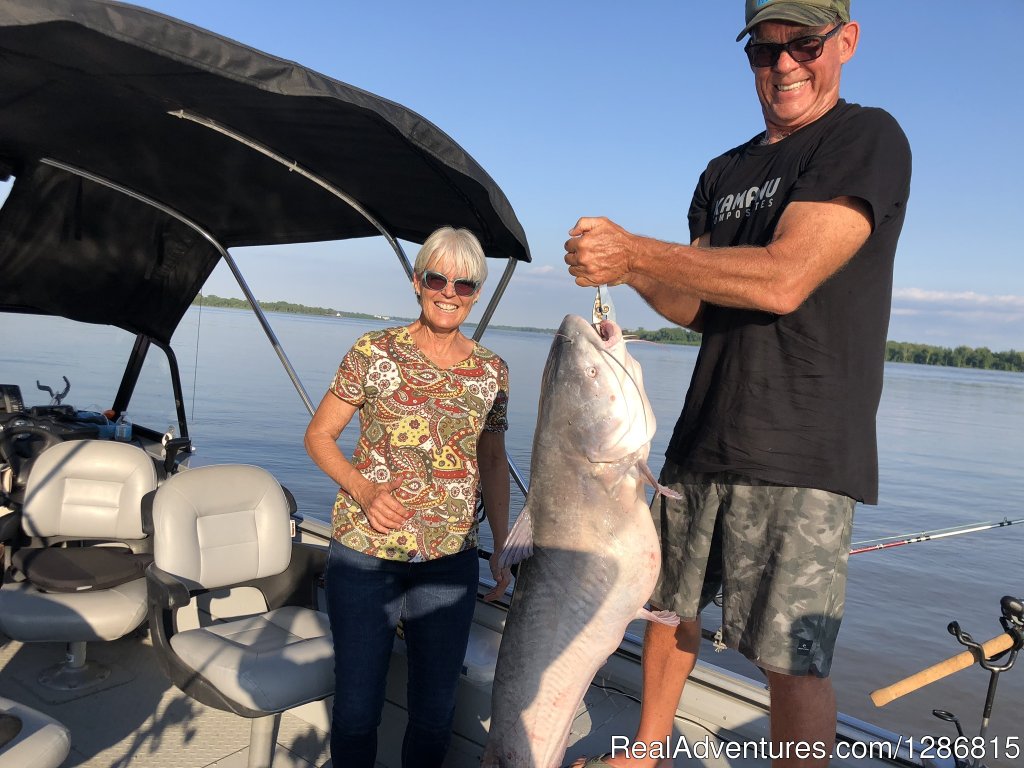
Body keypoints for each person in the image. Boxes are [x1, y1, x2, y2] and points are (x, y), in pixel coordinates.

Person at [562, 1, 911, 766]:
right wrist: (633, 268)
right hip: (702, 435)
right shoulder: (723, 171)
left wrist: (637, 251)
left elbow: (785, 278)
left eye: (805, 45)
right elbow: (695, 302)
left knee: (790, 653)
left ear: (845, 43)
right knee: (666, 612)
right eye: (765, 49)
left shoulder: (865, 138)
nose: (784, 64)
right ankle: (645, 752)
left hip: (804, 446)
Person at [304, 226, 512, 768]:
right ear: (416, 282)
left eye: (463, 284)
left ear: (476, 293)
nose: (449, 292)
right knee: (355, 709)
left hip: (450, 561)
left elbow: (491, 461)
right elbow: (318, 436)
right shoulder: (374, 351)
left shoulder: (492, 371)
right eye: (437, 278)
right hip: (363, 554)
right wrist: (365, 489)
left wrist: (503, 545)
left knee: (435, 711)